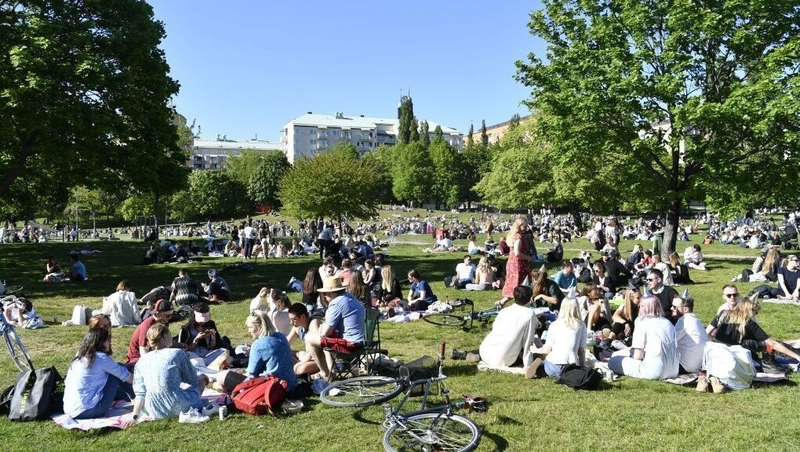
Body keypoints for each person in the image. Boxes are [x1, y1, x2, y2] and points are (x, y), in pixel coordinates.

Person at [131, 323, 211, 422]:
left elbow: (140, 393)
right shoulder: (177, 353)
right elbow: (193, 380)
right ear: (165, 336)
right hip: (178, 404)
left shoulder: (142, 360)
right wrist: (202, 378)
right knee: (202, 380)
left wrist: (135, 415)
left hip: (154, 409)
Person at [706, 297, 800, 370]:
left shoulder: (723, 313)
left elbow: (707, 333)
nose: (756, 315)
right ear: (750, 311)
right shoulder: (749, 323)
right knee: (765, 353)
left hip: (716, 354)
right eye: (756, 312)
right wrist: (797, 357)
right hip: (736, 357)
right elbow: (772, 343)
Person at [216, 311, 297, 394]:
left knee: (220, 377)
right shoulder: (280, 336)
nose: (248, 331)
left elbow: (251, 373)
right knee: (240, 349)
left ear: (259, 327)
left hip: (272, 388)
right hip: (291, 384)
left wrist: (237, 371)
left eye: (250, 327)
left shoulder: (258, 345)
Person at [304, 276, 365, 381]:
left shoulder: (336, 303)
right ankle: (331, 371)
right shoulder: (349, 297)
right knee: (325, 340)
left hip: (351, 345)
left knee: (309, 339)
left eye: (324, 293)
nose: (324, 296)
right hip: (361, 341)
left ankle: (325, 373)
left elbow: (325, 332)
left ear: (330, 293)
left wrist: (320, 328)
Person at [63, 328, 134, 419]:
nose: (109, 342)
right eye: (107, 340)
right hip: (90, 410)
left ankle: (130, 396)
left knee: (116, 373)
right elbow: (129, 378)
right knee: (116, 372)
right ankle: (137, 397)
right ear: (101, 343)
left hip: (70, 409)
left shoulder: (80, 356)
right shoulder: (101, 358)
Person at [608, 296, 680, 380]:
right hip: (674, 370)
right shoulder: (668, 323)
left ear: (645, 308)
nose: (639, 308)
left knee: (613, 361)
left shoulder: (642, 323)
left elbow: (637, 356)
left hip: (655, 371)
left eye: (641, 306)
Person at [478, 286, 540, 377]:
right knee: (536, 354)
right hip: (503, 359)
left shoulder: (504, 311)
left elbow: (495, 329)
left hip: (485, 351)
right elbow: (528, 342)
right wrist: (528, 365)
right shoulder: (529, 314)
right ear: (530, 298)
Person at [529, 296, 587, 378]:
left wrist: (535, 350)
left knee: (547, 361)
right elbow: (581, 351)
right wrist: (582, 367)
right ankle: (542, 367)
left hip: (553, 366)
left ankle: (540, 366)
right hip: (571, 367)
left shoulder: (554, 325)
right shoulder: (581, 325)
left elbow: (547, 350)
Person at [126, 299, 182, 366]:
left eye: (171, 315)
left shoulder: (164, 321)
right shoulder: (147, 326)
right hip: (137, 360)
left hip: (153, 353)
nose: (170, 318)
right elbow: (143, 351)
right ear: (158, 314)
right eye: (167, 316)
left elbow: (164, 342)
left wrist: (178, 345)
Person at [176, 302, 229, 366]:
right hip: (193, 354)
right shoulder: (186, 329)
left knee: (224, 352)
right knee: (190, 358)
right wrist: (196, 340)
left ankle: (204, 363)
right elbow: (183, 351)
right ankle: (205, 363)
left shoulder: (210, 324)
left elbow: (213, 347)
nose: (202, 322)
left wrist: (213, 337)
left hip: (207, 353)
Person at [496, 218, 533, 307]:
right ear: (518, 226)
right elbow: (517, 253)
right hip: (518, 265)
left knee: (517, 285)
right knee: (520, 286)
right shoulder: (519, 237)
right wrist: (528, 257)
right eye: (524, 226)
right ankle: (518, 304)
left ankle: (501, 303)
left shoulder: (514, 235)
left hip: (513, 263)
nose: (526, 228)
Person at [671, 294, 707, 374]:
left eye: (674, 307)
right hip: (696, 365)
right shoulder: (695, 320)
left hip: (685, 366)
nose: (671, 308)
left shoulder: (684, 321)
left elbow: (669, 340)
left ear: (685, 309)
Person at [285, 303, 322, 376]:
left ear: (303, 316)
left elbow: (317, 348)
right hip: (305, 356)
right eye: (290, 319)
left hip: (317, 358)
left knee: (301, 369)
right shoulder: (297, 327)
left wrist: (301, 363)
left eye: (294, 319)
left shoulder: (313, 323)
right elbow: (285, 343)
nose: (291, 323)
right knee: (285, 353)